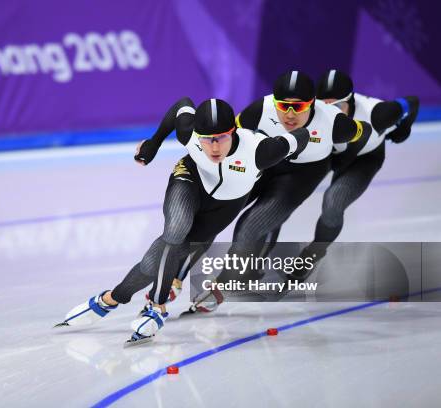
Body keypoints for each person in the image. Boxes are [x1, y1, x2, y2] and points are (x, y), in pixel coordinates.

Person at [55, 97, 310, 345]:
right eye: (206, 140)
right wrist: (153, 144)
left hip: (227, 204)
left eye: (221, 138)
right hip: (189, 180)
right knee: (174, 232)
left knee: (152, 264)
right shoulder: (188, 132)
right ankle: (157, 306)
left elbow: (301, 137)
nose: (214, 147)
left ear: (234, 131)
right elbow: (181, 104)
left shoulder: (260, 150)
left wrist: (307, 132)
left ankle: (109, 299)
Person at [185, 70, 374, 313]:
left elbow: (364, 132)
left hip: (302, 175)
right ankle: (179, 270)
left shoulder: (333, 121)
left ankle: (222, 286)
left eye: (299, 107)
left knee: (249, 227)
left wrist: (342, 161)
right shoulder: (260, 110)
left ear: (312, 104)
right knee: (215, 212)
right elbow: (229, 136)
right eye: (283, 106)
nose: (290, 115)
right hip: (266, 162)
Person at [288, 69, 420, 282]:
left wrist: (403, 128)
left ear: (351, 102)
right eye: (325, 107)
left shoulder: (378, 114)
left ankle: (314, 252)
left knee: (333, 203)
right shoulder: (309, 113)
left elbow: (412, 101)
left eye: (338, 107)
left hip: (363, 159)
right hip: (327, 153)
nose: (332, 114)